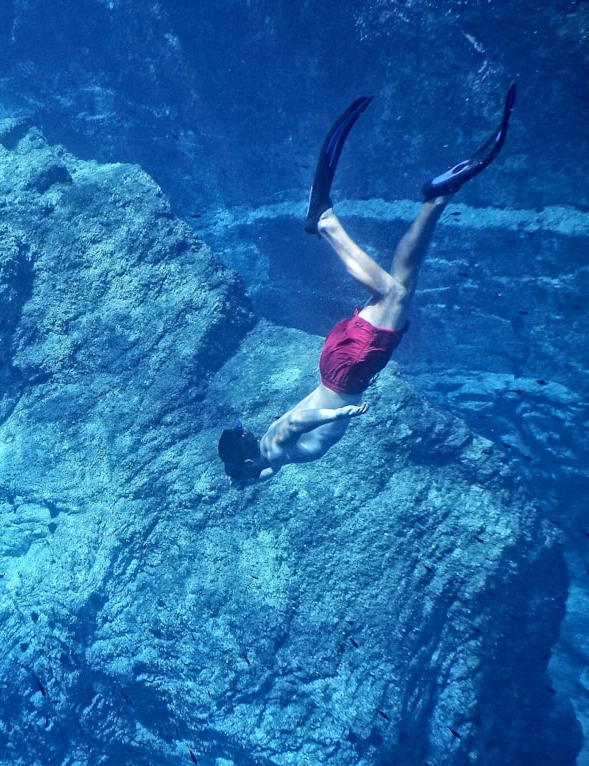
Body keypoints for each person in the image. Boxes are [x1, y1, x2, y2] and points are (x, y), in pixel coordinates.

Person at [220, 83, 516, 481]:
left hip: (348, 376)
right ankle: (437, 198)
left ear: (251, 462)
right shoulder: (267, 448)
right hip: (337, 367)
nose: (251, 478)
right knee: (402, 286)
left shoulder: (274, 447)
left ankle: (325, 223)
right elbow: (277, 446)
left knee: (393, 293)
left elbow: (297, 425)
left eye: (246, 474)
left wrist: (341, 412)